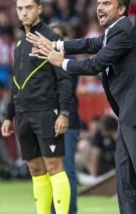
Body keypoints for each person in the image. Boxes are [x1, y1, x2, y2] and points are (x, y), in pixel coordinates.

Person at [27, 0, 136, 214]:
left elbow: (95, 63)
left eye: (107, 3)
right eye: (98, 4)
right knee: (125, 180)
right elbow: (89, 44)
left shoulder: (125, 32)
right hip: (130, 115)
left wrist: (62, 62)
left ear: (122, 9)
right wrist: (56, 44)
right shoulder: (114, 33)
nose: (100, 7)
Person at [1, 0, 73, 214]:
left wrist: (64, 113)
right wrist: (8, 115)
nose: (24, 12)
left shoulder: (52, 38)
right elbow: (16, 83)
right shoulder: (20, 43)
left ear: (39, 9)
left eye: (29, 8)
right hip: (23, 114)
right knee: (34, 168)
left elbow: (65, 79)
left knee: (54, 166)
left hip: (46, 112)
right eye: (20, 8)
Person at [48, 22, 80, 214]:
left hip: (67, 121)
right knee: (52, 171)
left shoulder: (70, 61)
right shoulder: (45, 60)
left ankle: (70, 211)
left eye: (58, 37)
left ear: (66, 40)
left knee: (66, 170)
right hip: (48, 121)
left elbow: (64, 91)